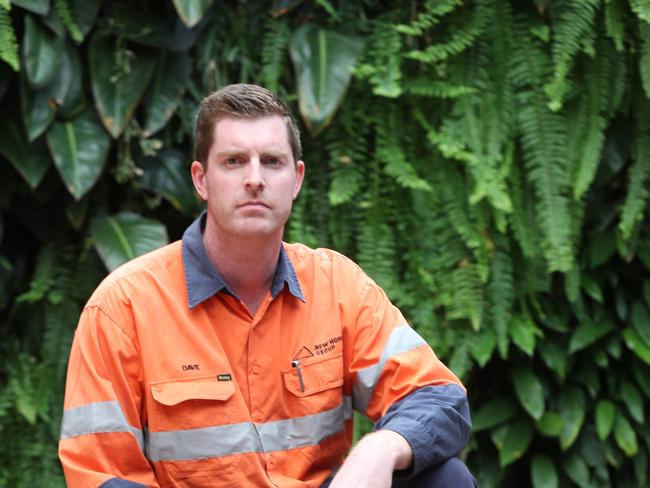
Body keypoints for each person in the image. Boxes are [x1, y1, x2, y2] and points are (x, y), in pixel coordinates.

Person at [59, 84, 476, 487]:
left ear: (295, 179)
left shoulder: (338, 288)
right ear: (201, 179)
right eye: (235, 161)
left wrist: (379, 449)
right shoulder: (123, 308)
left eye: (272, 161)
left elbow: (439, 398)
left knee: (445, 478)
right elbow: (102, 475)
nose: (255, 178)